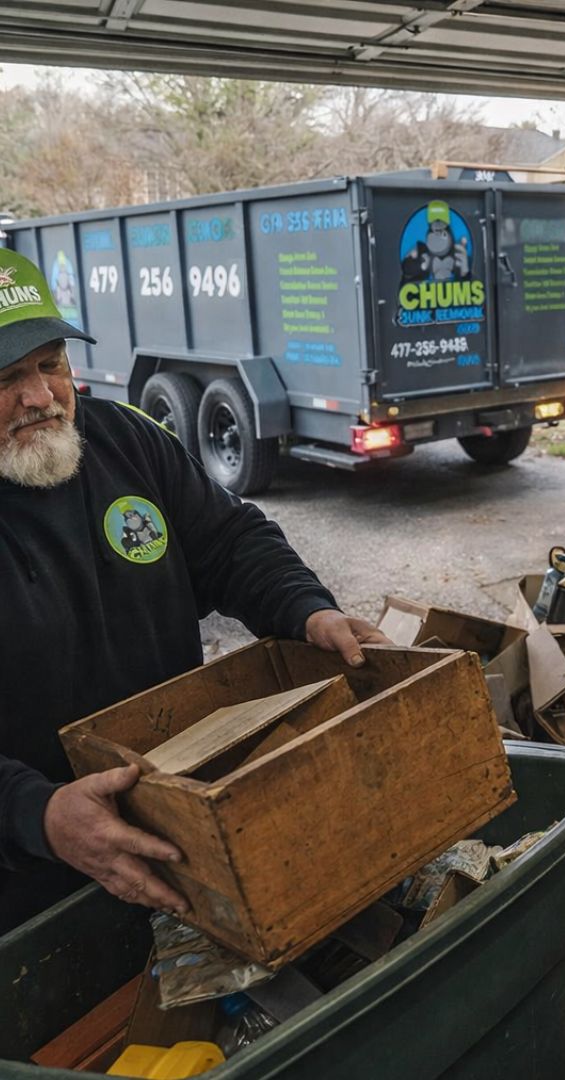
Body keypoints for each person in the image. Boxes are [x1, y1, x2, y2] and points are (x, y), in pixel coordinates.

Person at [0, 249, 389, 933]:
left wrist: (309, 609)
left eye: (49, 363)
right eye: (4, 378)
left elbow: (231, 542)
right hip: (35, 885)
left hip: (187, 817)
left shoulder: (123, 439)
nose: (38, 397)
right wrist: (37, 813)